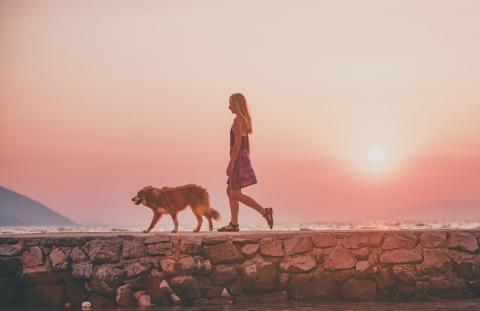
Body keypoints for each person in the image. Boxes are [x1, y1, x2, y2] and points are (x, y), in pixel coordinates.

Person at [218, 93, 273, 232]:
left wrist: (231, 163)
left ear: (236, 104)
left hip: (238, 159)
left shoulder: (238, 120)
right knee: (230, 190)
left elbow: (237, 145)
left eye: (230, 103)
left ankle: (264, 211)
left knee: (234, 194)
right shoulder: (244, 119)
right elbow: (244, 145)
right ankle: (234, 224)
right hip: (242, 157)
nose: (228, 107)